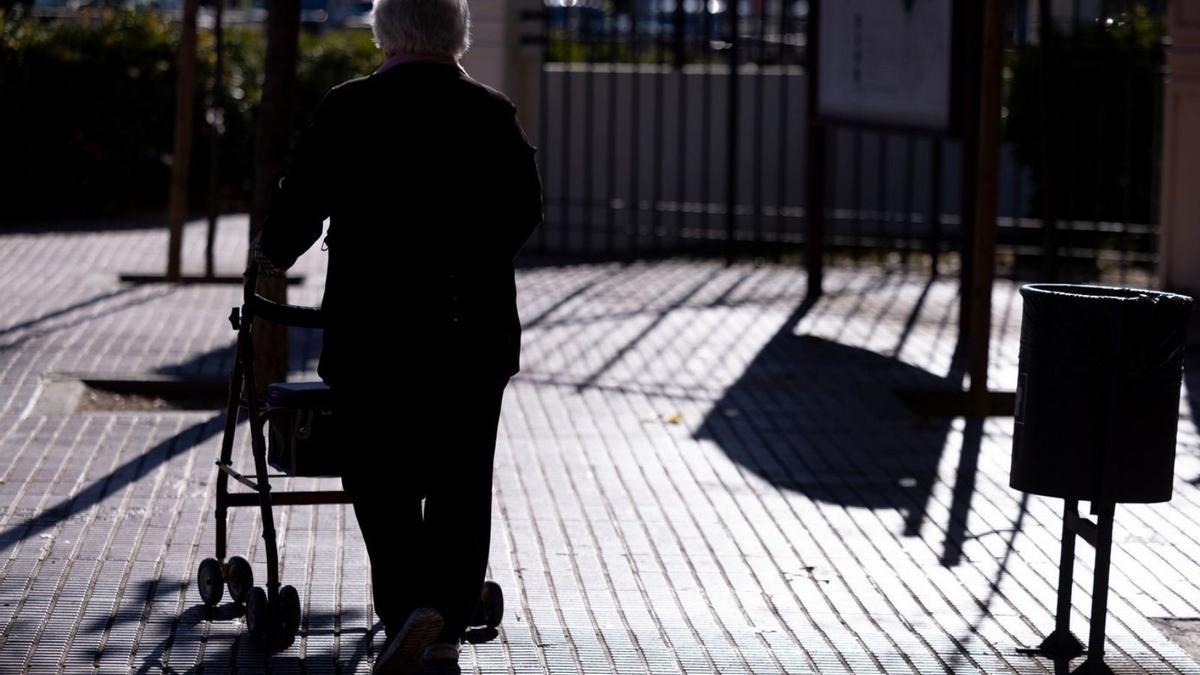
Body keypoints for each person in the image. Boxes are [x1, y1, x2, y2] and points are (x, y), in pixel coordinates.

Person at [252, 0, 542, 671]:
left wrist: (271, 252)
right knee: (461, 478)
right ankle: (441, 623)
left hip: (372, 332)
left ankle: (411, 607)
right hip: (471, 331)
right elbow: (524, 210)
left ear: (383, 33)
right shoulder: (491, 113)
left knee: (378, 473)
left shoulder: (348, 107)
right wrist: (473, 255)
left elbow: (301, 203)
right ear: (457, 36)